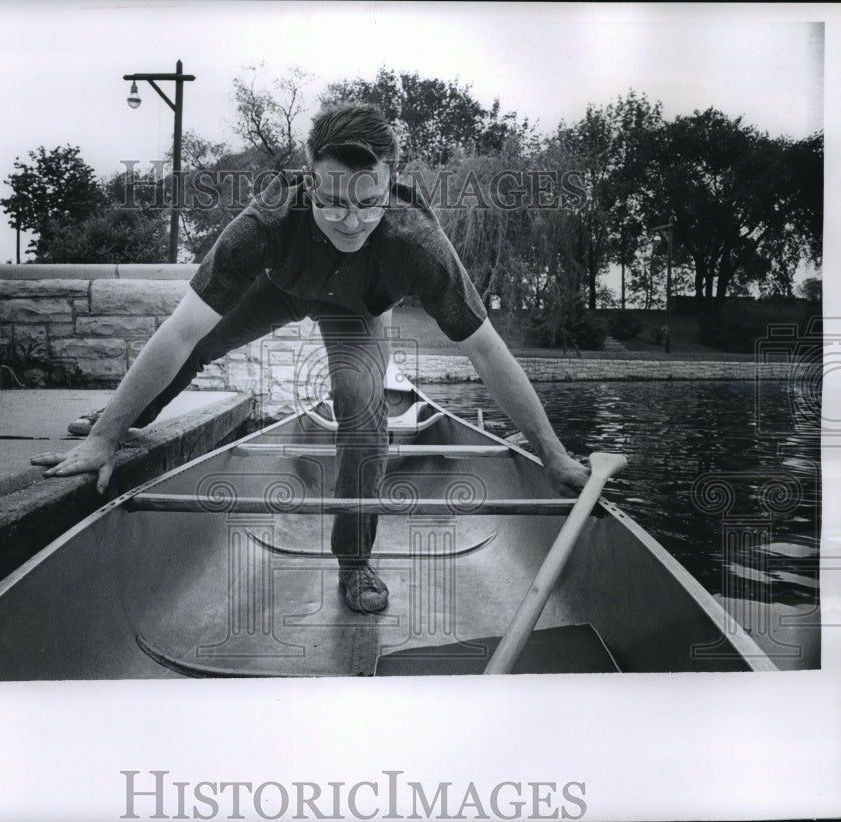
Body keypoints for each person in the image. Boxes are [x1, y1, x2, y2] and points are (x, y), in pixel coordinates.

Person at [31, 103, 589, 613]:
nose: (351, 221)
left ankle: (355, 562)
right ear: (307, 178)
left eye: (369, 203)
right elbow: (177, 334)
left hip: (359, 312)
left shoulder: (418, 243)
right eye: (332, 202)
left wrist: (554, 454)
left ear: (391, 183)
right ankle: (133, 417)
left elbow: (487, 352)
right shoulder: (266, 221)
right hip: (283, 287)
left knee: (361, 406)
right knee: (202, 341)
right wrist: (106, 436)